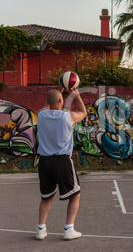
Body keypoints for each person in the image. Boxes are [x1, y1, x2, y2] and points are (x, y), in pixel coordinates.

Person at [35, 82, 87, 241]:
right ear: (61, 101)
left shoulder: (41, 115)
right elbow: (83, 112)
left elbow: (47, 105)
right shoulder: (68, 116)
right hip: (62, 161)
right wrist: (76, 94)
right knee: (75, 195)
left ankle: (40, 230)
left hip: (44, 162)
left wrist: (59, 90)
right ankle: (69, 229)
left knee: (46, 197)